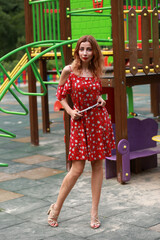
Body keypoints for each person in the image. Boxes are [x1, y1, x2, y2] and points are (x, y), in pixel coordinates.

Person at [47, 35, 115, 229]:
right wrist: (70, 112)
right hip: (79, 123)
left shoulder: (95, 70)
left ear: (94, 51)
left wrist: (100, 99)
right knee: (76, 169)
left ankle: (94, 213)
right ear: (77, 51)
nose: (85, 53)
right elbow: (61, 97)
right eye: (82, 49)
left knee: (97, 167)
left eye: (89, 49)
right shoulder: (69, 71)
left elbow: (95, 94)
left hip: (97, 121)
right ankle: (56, 208)